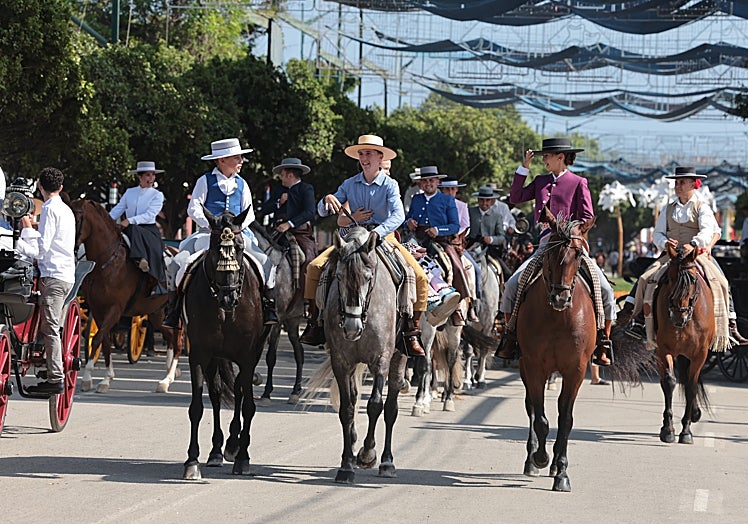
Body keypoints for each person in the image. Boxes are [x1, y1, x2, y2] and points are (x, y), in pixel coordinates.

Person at [299, 134, 429, 356]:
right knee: (314, 267)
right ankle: (315, 321)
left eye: (369, 153)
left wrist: (377, 233)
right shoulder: (349, 184)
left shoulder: (391, 184)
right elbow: (322, 211)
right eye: (361, 153)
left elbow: (398, 215)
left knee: (418, 276)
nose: (364, 158)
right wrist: (327, 199)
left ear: (380, 157)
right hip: (353, 236)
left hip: (383, 236)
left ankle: (411, 330)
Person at [496, 138, 616, 366]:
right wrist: (524, 168)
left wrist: (570, 231)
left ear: (561, 157)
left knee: (606, 290)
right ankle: (509, 337)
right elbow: (515, 198)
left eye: (547, 156)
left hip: (571, 245)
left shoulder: (579, 182)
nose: (544, 160)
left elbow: (587, 217)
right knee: (512, 285)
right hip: (545, 245)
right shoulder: (540, 181)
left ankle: (603, 342)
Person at [164, 138, 278, 328]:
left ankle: (269, 307)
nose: (241, 160)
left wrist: (238, 228)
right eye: (237, 157)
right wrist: (211, 225)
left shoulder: (243, 184)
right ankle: (173, 310)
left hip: (238, 234)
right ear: (222, 160)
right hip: (208, 234)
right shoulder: (205, 181)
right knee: (178, 263)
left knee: (267, 264)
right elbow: (194, 208)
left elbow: (249, 213)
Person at [625, 167, 748, 344]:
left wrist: (694, 244)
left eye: (682, 182)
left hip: (696, 256)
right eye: (676, 182)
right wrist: (665, 243)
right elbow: (657, 234)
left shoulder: (701, 207)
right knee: (645, 278)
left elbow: (708, 231)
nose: (678, 185)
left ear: (693, 184)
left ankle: (730, 324)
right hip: (672, 255)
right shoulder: (667, 209)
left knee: (721, 281)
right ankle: (638, 320)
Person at [17, 168, 76, 394]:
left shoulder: (51, 209)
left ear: (40, 186)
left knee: (50, 327)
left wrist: (26, 232)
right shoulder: (66, 210)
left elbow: (43, 249)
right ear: (60, 187)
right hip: (63, 273)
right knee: (48, 325)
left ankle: (56, 377)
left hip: (54, 275)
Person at [405, 166, 472, 326]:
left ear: (437, 182)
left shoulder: (447, 200)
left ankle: (456, 306)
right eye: (425, 181)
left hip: (440, 241)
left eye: (431, 180)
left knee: (456, 265)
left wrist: (438, 230)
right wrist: (409, 222)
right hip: (416, 240)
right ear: (420, 183)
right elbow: (406, 218)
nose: (428, 183)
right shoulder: (416, 199)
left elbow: (455, 226)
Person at [258, 157, 317, 295]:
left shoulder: (306, 189)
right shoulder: (278, 190)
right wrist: (279, 202)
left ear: (290, 175)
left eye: (283, 175)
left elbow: (309, 212)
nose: (281, 178)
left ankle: (307, 297)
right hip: (277, 231)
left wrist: (289, 224)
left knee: (309, 259)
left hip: (300, 233)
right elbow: (265, 209)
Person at [109, 161, 167, 293]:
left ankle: (146, 267)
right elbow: (118, 209)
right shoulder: (130, 192)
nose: (151, 178)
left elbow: (150, 215)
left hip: (148, 231)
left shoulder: (157, 195)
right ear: (140, 177)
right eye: (147, 175)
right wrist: (106, 220)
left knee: (134, 229)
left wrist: (130, 220)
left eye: (153, 175)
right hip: (129, 229)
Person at [439, 176, 479, 322]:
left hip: (456, 242)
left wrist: (455, 233)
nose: (450, 192)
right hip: (439, 241)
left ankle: (472, 302)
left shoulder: (462, 206)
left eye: (452, 189)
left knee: (473, 269)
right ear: (442, 190)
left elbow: (465, 225)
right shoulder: (436, 204)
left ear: (456, 190)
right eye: (446, 189)